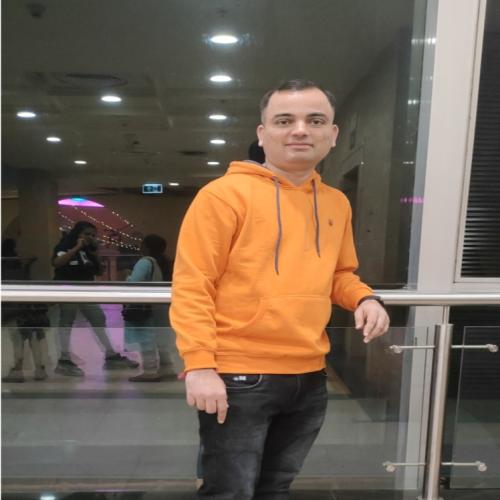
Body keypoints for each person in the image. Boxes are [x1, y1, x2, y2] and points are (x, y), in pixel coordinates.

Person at [170, 79, 390, 499]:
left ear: (333, 134)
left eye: (315, 121)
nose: (300, 130)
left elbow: (340, 273)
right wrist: (199, 366)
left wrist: (364, 296)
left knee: (276, 487)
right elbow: (193, 285)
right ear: (262, 132)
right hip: (239, 375)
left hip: (310, 374)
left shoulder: (335, 202)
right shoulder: (222, 196)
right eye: (284, 120)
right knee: (229, 490)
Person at [52, 221, 138, 376]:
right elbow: (57, 263)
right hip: (68, 290)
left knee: (98, 318)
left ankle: (110, 355)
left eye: (93, 235)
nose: (90, 237)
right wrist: (76, 248)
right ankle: (64, 359)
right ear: (78, 233)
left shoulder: (89, 251)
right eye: (87, 234)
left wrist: (95, 253)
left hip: (86, 291)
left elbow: (98, 271)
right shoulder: (63, 246)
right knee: (66, 321)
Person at [124, 234, 177, 382]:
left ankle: (149, 370)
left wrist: (128, 276)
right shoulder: (166, 262)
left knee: (146, 338)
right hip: (163, 306)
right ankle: (167, 367)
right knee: (161, 337)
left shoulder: (145, 262)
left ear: (146, 247)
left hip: (146, 307)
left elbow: (134, 283)